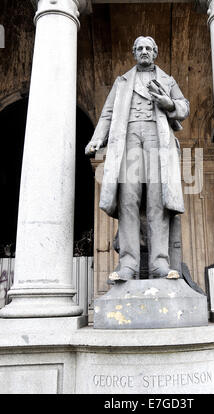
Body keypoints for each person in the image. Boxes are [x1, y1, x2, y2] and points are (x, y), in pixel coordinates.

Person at [85, 36, 189, 281]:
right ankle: (128, 266)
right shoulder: (122, 82)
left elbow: (184, 107)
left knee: (157, 203)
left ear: (155, 52)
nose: (144, 51)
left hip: (157, 140)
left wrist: (169, 103)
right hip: (129, 140)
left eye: (148, 48)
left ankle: (159, 265)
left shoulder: (168, 80)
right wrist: (97, 139)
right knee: (128, 202)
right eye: (139, 48)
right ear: (134, 52)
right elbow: (108, 113)